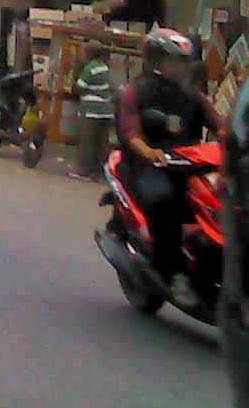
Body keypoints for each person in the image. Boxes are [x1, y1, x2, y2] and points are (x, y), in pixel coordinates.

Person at [117, 27, 225, 309]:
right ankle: (172, 273)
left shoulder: (191, 96)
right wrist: (150, 152)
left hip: (189, 166)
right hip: (149, 167)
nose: (178, 67)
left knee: (222, 203)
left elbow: (220, 126)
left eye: (181, 62)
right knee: (166, 204)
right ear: (155, 60)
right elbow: (131, 133)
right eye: (172, 60)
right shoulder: (137, 91)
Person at [71, 45, 115, 180]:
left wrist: (76, 72)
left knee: (87, 141)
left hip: (91, 111)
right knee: (101, 143)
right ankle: (99, 172)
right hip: (106, 111)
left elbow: (79, 88)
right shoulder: (104, 67)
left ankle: (83, 171)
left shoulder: (90, 68)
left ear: (89, 54)